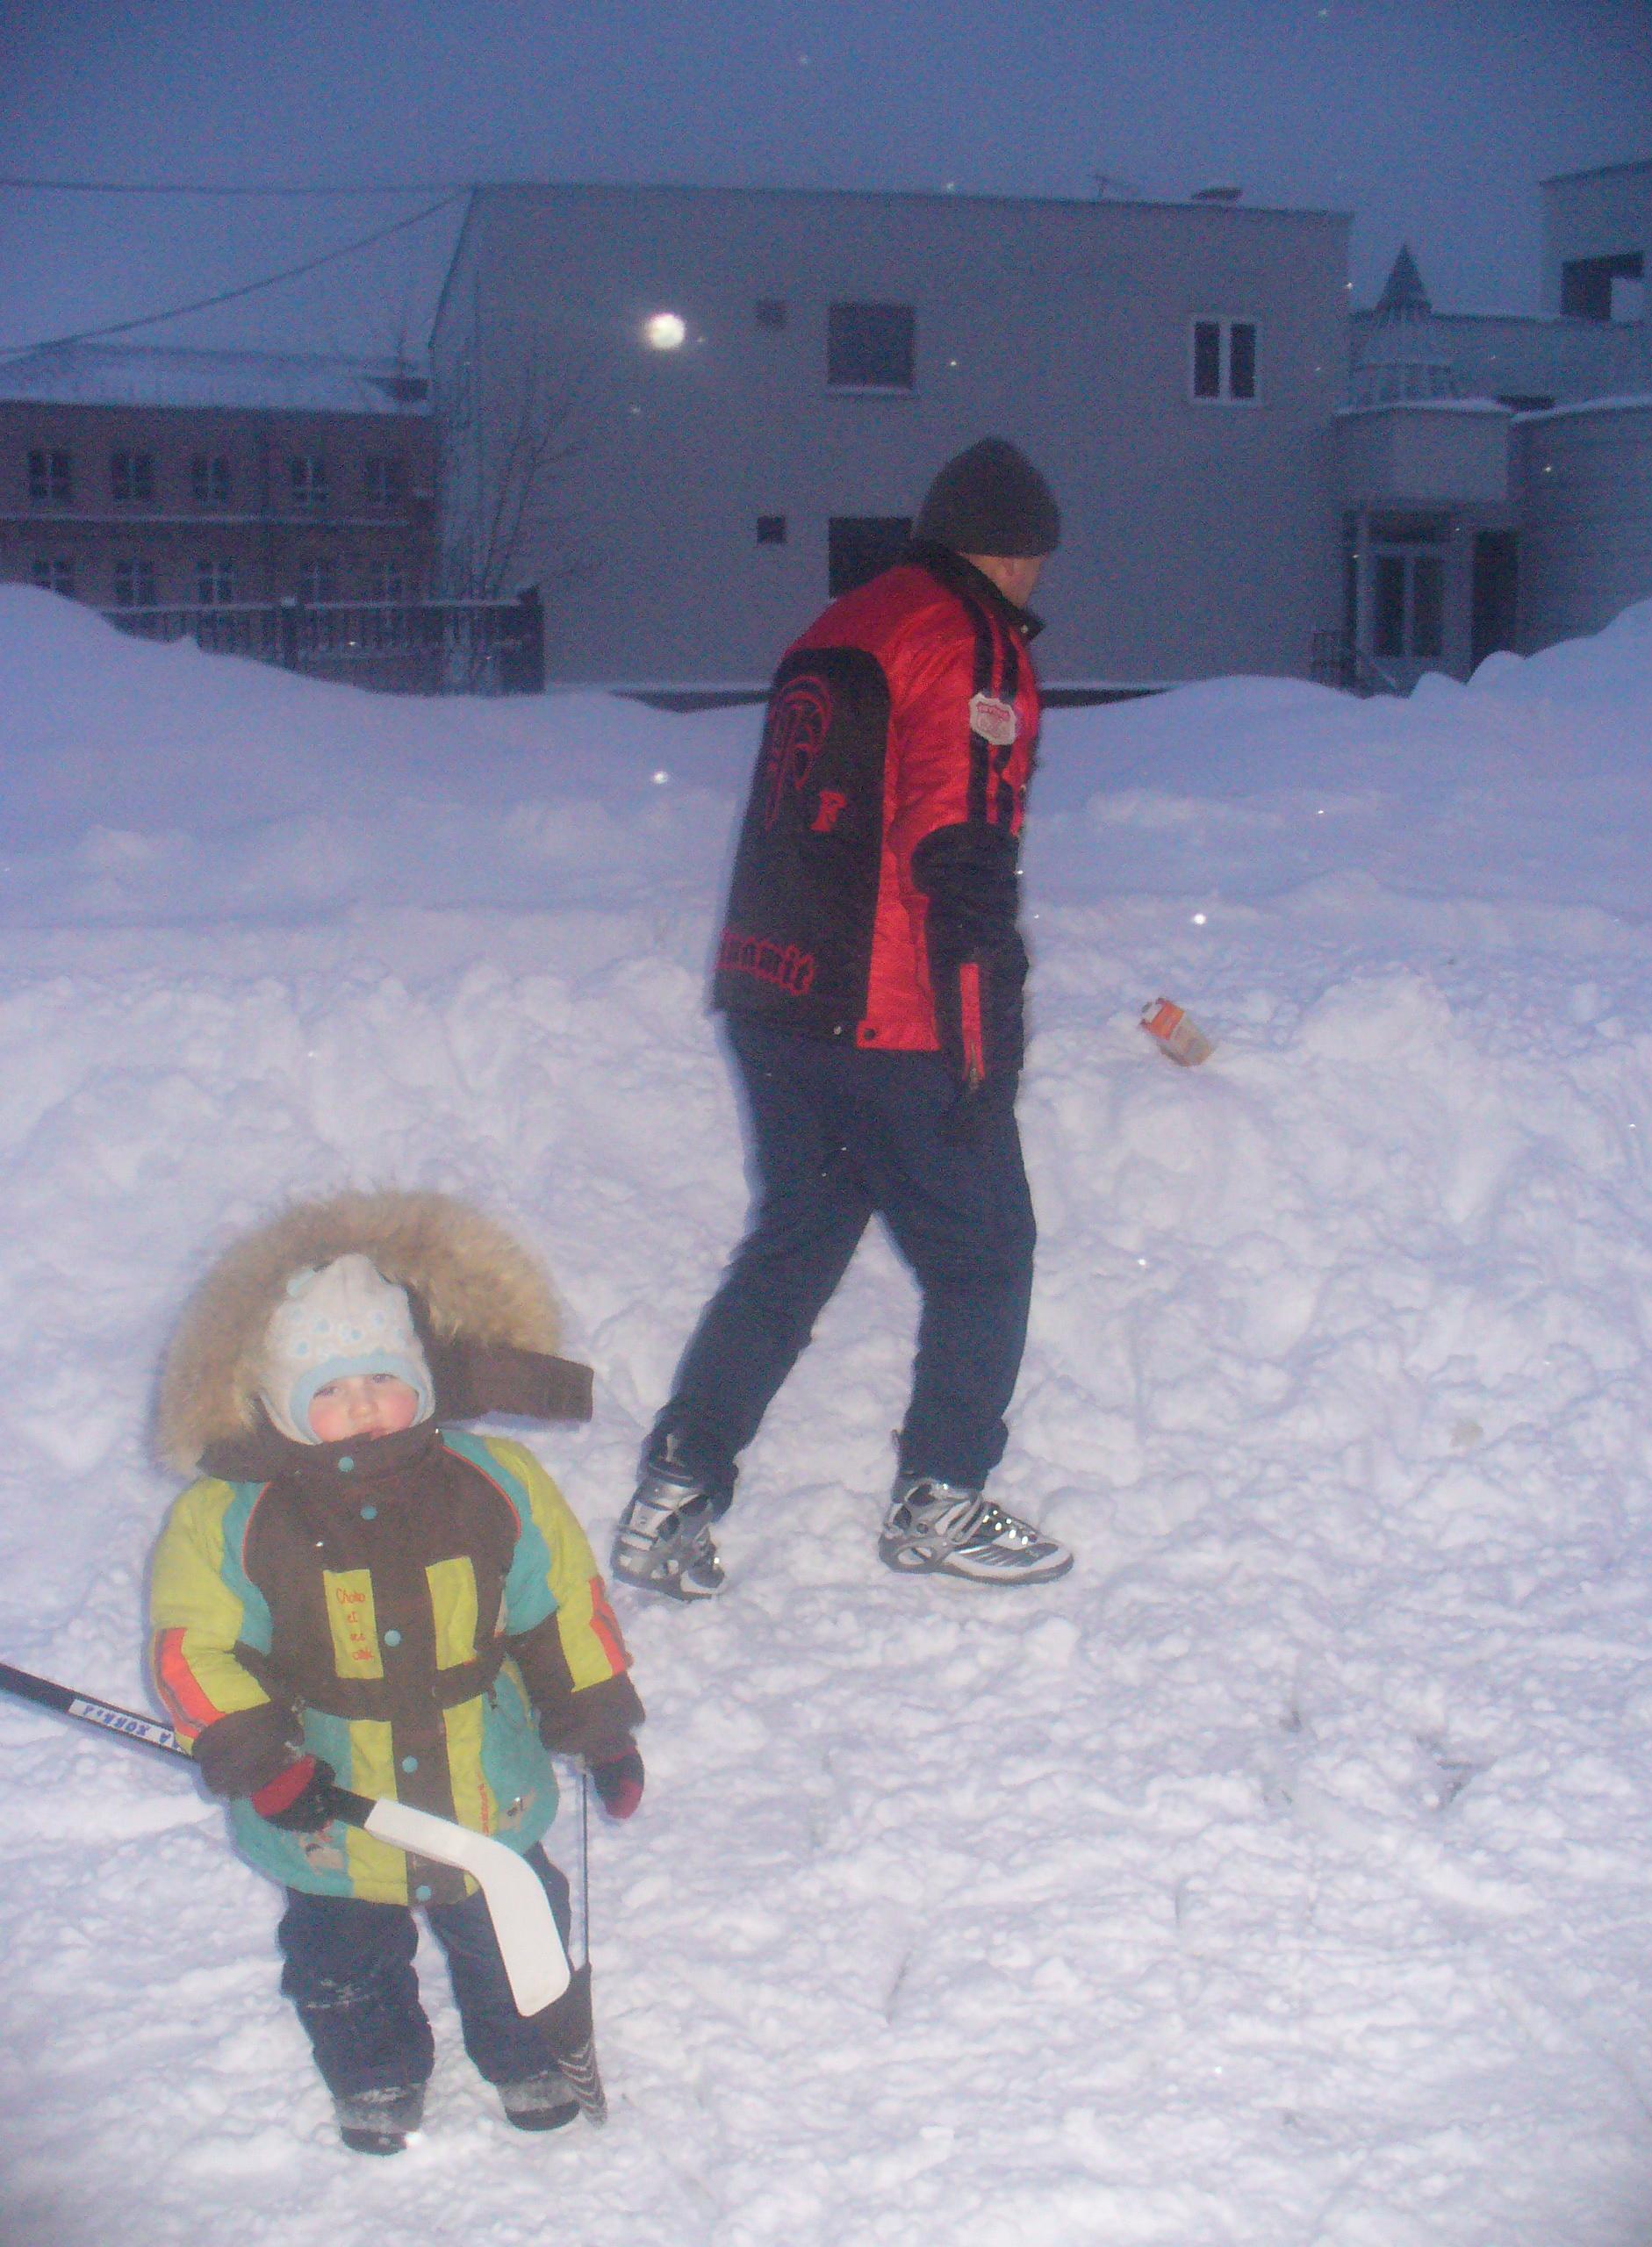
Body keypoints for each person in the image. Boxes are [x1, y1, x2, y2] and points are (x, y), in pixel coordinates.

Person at [613, 436, 1073, 1603]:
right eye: (1035, 559)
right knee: (989, 1253)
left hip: (775, 995)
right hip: (888, 1017)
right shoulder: (970, 642)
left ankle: (677, 1487)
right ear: (1011, 553)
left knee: (797, 1244)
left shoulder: (841, 625)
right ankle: (940, 1496)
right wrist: (984, 1048)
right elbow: (961, 855)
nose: (1037, 582)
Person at [148, 1189, 644, 2156]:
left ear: (422, 1375)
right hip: (329, 1801)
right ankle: (374, 2073)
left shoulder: (494, 1480)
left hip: (483, 1782)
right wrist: (263, 1757)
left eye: (383, 1377)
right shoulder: (230, 1517)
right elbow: (194, 1650)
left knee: (514, 1925)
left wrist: (601, 1727)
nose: (363, 1407)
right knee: (343, 1958)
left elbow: (560, 1606)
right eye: (328, 1389)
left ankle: (530, 2053)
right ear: (273, 1401)